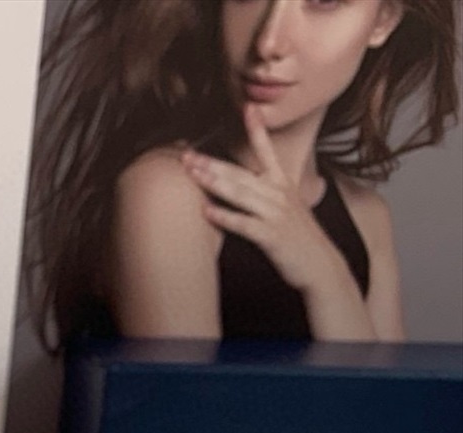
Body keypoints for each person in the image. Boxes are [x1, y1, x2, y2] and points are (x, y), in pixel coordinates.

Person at [26, 0, 459, 345]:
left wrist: (327, 277)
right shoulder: (166, 193)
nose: (269, 42)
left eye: (323, 1)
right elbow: (187, 416)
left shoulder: (367, 217)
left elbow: (385, 421)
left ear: (382, 20)